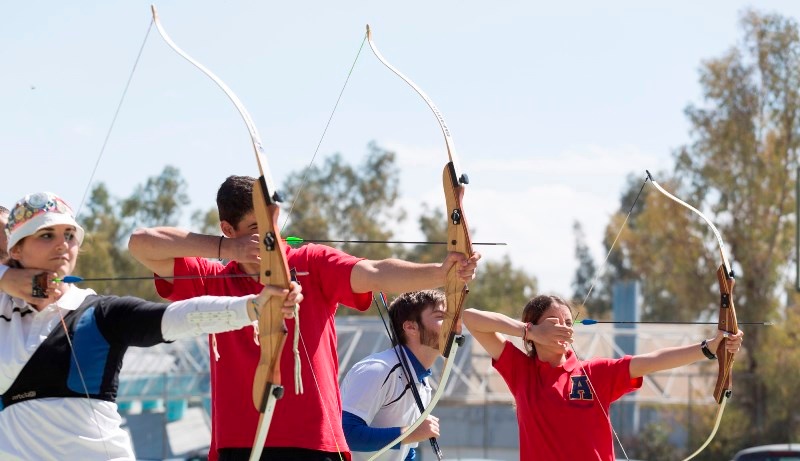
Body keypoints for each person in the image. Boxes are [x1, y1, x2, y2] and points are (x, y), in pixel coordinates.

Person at [127, 175, 480, 461]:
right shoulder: (214, 279)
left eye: (271, 225)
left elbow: (374, 272)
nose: (269, 238)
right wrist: (226, 249)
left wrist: (440, 272)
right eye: (255, 228)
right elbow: (141, 243)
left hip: (314, 443)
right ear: (228, 229)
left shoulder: (311, 263)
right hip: (240, 444)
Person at [0, 192, 303, 460]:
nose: (62, 245)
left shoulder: (98, 313)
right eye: (46, 235)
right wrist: (8, 278)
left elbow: (178, 317)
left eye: (69, 235)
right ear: (15, 250)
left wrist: (253, 306)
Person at [462, 295, 745, 461]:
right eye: (554, 323)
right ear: (533, 326)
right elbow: (470, 318)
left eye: (567, 322)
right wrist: (529, 331)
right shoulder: (521, 371)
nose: (564, 329)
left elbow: (652, 361)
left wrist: (709, 348)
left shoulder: (594, 373)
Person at [340, 290, 445, 461]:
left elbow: (406, 451)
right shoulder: (377, 369)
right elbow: (346, 433)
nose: (452, 324)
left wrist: (410, 435)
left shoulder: (424, 383)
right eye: (440, 316)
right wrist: (409, 433)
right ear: (410, 327)